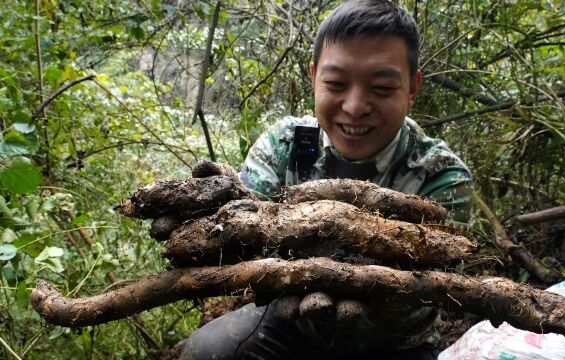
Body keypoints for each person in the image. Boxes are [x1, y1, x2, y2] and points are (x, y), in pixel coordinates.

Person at [179, 1, 473, 359]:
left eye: (381, 89)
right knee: (207, 351)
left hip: (392, 343)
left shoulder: (440, 175)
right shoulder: (283, 144)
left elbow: (432, 287)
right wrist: (217, 216)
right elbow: (246, 240)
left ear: (412, 89)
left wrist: (353, 281)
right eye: (336, 83)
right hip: (291, 324)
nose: (354, 106)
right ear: (314, 76)